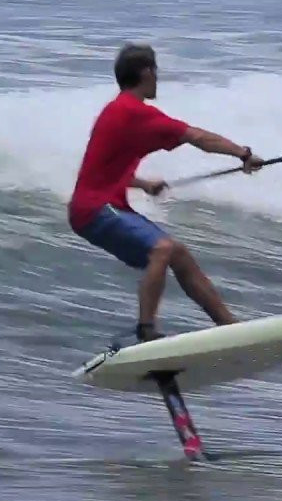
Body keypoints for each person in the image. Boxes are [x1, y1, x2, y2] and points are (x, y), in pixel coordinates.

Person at [68, 42, 265, 343]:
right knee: (161, 249)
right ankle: (146, 331)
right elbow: (198, 137)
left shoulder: (117, 111)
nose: (158, 78)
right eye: (155, 71)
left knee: (178, 253)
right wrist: (243, 153)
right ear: (146, 72)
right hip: (94, 209)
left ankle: (229, 327)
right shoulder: (133, 112)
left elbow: (104, 168)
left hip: (102, 206)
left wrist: (143, 184)